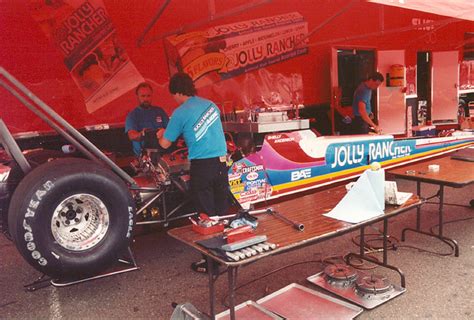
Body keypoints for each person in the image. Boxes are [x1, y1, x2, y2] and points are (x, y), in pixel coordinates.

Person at [156, 72, 228, 273]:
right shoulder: (211, 105)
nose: (174, 99)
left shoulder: (180, 112)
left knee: (206, 216)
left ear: (178, 93)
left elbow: (164, 144)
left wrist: (161, 133)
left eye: (173, 95)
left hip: (202, 166)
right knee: (220, 212)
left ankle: (211, 265)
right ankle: (227, 256)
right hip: (222, 163)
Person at [125, 82, 169, 156]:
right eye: (143, 96)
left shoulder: (159, 111)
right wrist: (142, 134)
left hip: (163, 153)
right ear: (137, 97)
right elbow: (131, 135)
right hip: (144, 157)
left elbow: (170, 128)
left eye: (148, 96)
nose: (146, 99)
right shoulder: (133, 115)